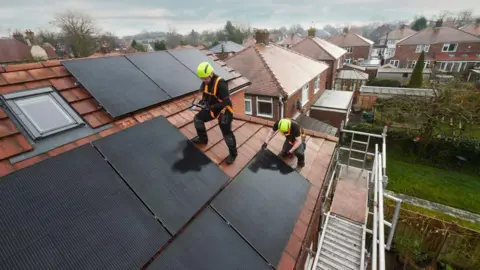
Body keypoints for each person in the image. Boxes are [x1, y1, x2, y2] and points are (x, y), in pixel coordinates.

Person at [191, 62, 237, 164]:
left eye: (205, 78)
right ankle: (203, 139)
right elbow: (205, 96)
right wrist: (202, 103)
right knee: (197, 119)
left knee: (226, 131)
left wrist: (213, 106)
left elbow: (227, 102)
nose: (204, 80)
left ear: (211, 74)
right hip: (212, 109)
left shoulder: (221, 83)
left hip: (225, 110)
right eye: (202, 78)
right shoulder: (205, 83)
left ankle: (233, 154)